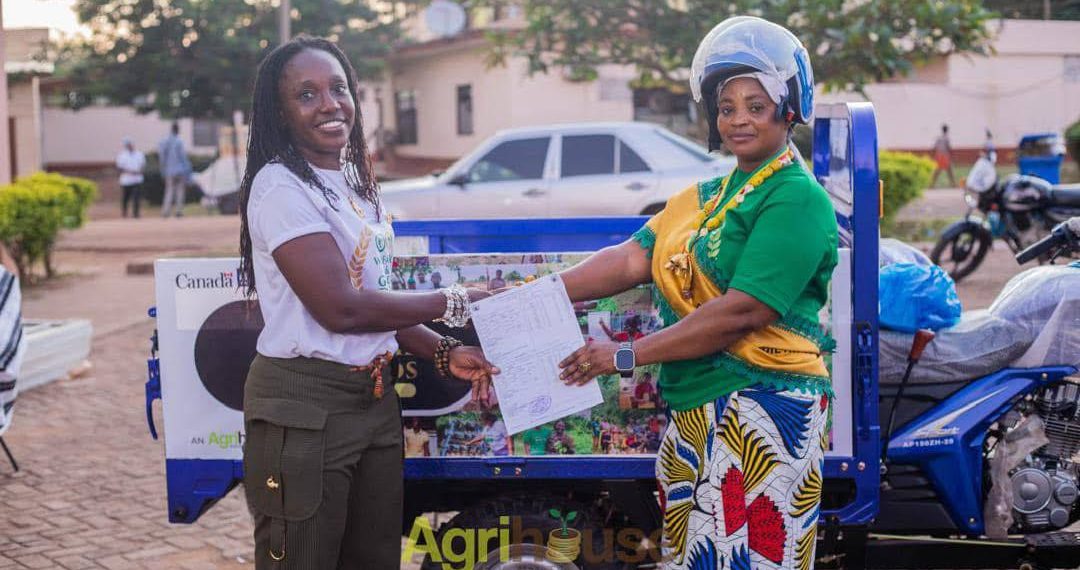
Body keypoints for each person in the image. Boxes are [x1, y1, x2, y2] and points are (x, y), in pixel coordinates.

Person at [552, 17, 834, 568]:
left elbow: (742, 311)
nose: (739, 120)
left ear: (790, 107)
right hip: (696, 413)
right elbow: (631, 258)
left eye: (756, 105)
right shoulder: (706, 197)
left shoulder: (796, 198)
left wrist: (625, 355)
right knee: (694, 558)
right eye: (726, 108)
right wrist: (534, 293)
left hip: (764, 414)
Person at [236, 36, 498, 569]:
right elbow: (342, 309)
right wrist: (450, 301)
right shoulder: (282, 188)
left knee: (374, 559)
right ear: (280, 112)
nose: (330, 104)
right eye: (306, 95)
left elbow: (377, 303)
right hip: (305, 405)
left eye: (338, 88)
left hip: (374, 400)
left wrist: (442, 352)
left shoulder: (357, 183)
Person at [159, 123, 192, 217]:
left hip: (169, 170)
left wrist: (163, 169)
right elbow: (183, 157)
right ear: (178, 130)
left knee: (169, 191)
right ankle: (178, 211)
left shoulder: (165, 141)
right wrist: (187, 169)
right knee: (180, 191)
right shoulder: (179, 141)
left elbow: (162, 157)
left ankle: (166, 211)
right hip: (180, 170)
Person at [116, 137, 146, 218]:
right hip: (126, 180)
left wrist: (139, 171)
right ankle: (124, 212)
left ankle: (136, 213)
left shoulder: (139, 154)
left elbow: (143, 165)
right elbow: (119, 168)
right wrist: (130, 172)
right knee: (125, 198)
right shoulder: (122, 155)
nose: (130, 146)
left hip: (137, 180)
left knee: (136, 197)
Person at [930, 123, 956, 188]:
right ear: (947, 130)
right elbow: (949, 148)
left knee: (937, 171)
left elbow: (934, 148)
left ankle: (931, 185)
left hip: (939, 155)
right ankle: (953, 184)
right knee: (949, 171)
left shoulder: (938, 138)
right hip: (945, 155)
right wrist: (951, 156)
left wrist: (935, 156)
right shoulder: (947, 138)